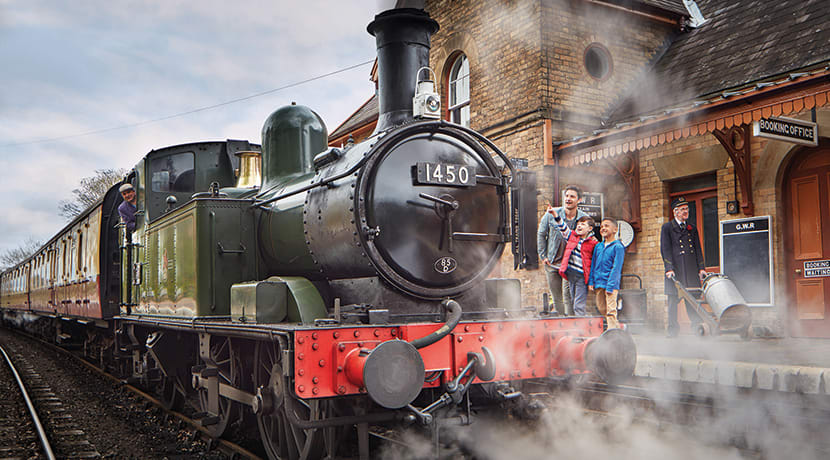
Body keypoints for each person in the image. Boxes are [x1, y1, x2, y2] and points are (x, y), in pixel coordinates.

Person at [537, 185, 587, 316]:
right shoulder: (551, 214)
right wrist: (543, 256)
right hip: (552, 262)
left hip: (570, 264)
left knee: (568, 296)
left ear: (579, 200)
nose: (568, 199)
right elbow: (541, 234)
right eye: (567, 196)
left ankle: (571, 322)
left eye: (572, 196)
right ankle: (560, 321)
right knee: (556, 296)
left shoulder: (583, 218)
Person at [661, 197, 707, 337]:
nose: (686, 211)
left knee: (692, 300)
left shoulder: (691, 227)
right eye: (682, 209)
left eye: (687, 209)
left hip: (691, 269)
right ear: (675, 212)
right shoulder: (667, 227)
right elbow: (665, 249)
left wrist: (701, 268)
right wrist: (669, 268)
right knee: (673, 302)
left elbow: (698, 248)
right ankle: (673, 331)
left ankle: (696, 329)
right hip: (676, 271)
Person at [551, 212, 598, 316]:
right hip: (571, 274)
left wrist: (592, 281)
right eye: (578, 224)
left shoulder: (593, 243)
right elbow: (563, 228)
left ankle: (581, 324)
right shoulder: (572, 236)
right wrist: (555, 215)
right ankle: (576, 321)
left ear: (590, 229)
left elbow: (595, 261)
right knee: (572, 300)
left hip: (582, 276)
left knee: (579, 304)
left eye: (583, 224)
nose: (579, 226)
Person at [588, 217, 625, 330]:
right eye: (602, 226)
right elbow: (593, 264)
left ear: (615, 229)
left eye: (607, 226)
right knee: (601, 308)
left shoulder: (618, 247)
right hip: (599, 283)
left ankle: (612, 333)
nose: (603, 228)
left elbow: (616, 268)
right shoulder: (598, 247)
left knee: (611, 310)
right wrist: (591, 282)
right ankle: (619, 328)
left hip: (611, 284)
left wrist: (611, 285)